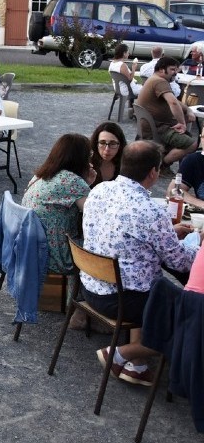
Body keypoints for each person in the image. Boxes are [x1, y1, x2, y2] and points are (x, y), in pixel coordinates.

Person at [82, 141, 198, 386]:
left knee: (148, 276)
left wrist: (169, 234)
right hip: (124, 299)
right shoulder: (151, 212)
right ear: (153, 172)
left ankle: (137, 366)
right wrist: (197, 244)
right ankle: (121, 353)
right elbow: (180, 262)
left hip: (91, 286)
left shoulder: (99, 190)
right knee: (193, 317)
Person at [21, 134, 95, 274]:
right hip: (55, 257)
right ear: (80, 158)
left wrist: (85, 184)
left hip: (30, 249)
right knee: (106, 248)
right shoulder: (72, 181)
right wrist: (85, 185)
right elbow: (95, 216)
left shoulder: (41, 175)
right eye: (89, 154)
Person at [135, 56, 197, 174]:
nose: (175, 73)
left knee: (186, 135)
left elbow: (174, 100)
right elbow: (173, 102)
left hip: (153, 124)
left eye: (176, 70)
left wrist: (188, 110)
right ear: (162, 69)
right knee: (192, 145)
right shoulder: (160, 81)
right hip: (158, 127)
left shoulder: (153, 79)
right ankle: (161, 166)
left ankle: (169, 166)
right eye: (172, 69)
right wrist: (182, 123)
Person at [90, 121, 127, 188]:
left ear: (120, 145)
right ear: (96, 144)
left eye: (112, 144)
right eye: (102, 143)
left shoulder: (126, 164)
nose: (107, 149)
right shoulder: (87, 163)